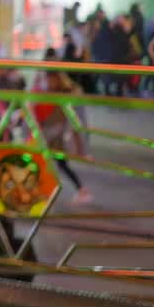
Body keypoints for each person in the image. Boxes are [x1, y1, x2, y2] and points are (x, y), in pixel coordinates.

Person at [33, 50, 93, 204]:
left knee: (56, 164)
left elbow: (70, 119)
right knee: (53, 164)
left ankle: (80, 190)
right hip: (52, 135)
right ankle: (78, 190)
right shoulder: (56, 89)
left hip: (56, 137)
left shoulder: (63, 92)